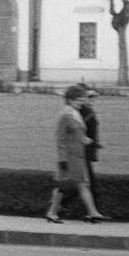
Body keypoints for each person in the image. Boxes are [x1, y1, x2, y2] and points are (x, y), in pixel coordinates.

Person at [43, 84, 106, 224]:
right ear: (71, 100)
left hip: (78, 155)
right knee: (72, 186)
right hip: (69, 157)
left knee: (76, 185)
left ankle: (54, 213)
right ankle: (91, 212)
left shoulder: (74, 112)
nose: (82, 102)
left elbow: (76, 133)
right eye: (79, 100)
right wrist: (63, 160)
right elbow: (60, 139)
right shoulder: (65, 115)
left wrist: (86, 140)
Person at [80, 87, 105, 215]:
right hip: (83, 151)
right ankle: (93, 212)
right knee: (90, 183)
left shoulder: (89, 112)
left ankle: (93, 212)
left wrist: (96, 144)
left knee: (87, 183)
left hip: (90, 150)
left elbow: (92, 133)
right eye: (89, 98)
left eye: (93, 98)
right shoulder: (82, 112)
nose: (91, 100)